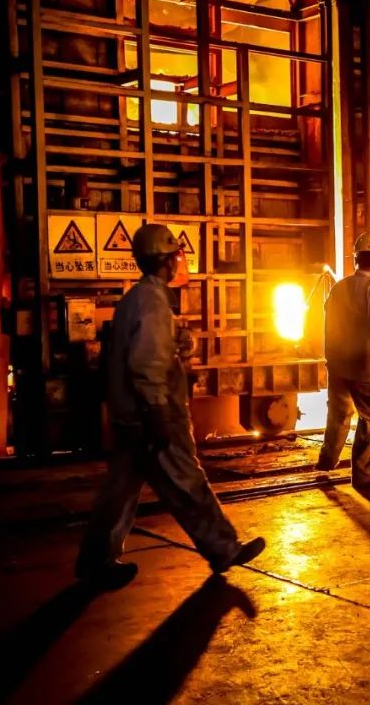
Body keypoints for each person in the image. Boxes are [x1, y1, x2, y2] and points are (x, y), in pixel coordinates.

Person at [76, 224, 265, 589]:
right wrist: (159, 412)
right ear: (165, 261)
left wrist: (179, 343)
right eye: (177, 256)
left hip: (129, 414)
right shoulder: (152, 303)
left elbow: (147, 349)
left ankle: (95, 562)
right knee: (186, 480)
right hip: (152, 413)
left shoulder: (137, 298)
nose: (180, 262)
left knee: (120, 491)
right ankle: (224, 548)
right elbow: (145, 365)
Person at [315, 232, 370, 488]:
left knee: (338, 415)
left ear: (356, 259)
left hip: (337, 365)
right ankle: (364, 475)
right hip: (366, 371)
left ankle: (326, 460)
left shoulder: (338, 288)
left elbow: (327, 325)